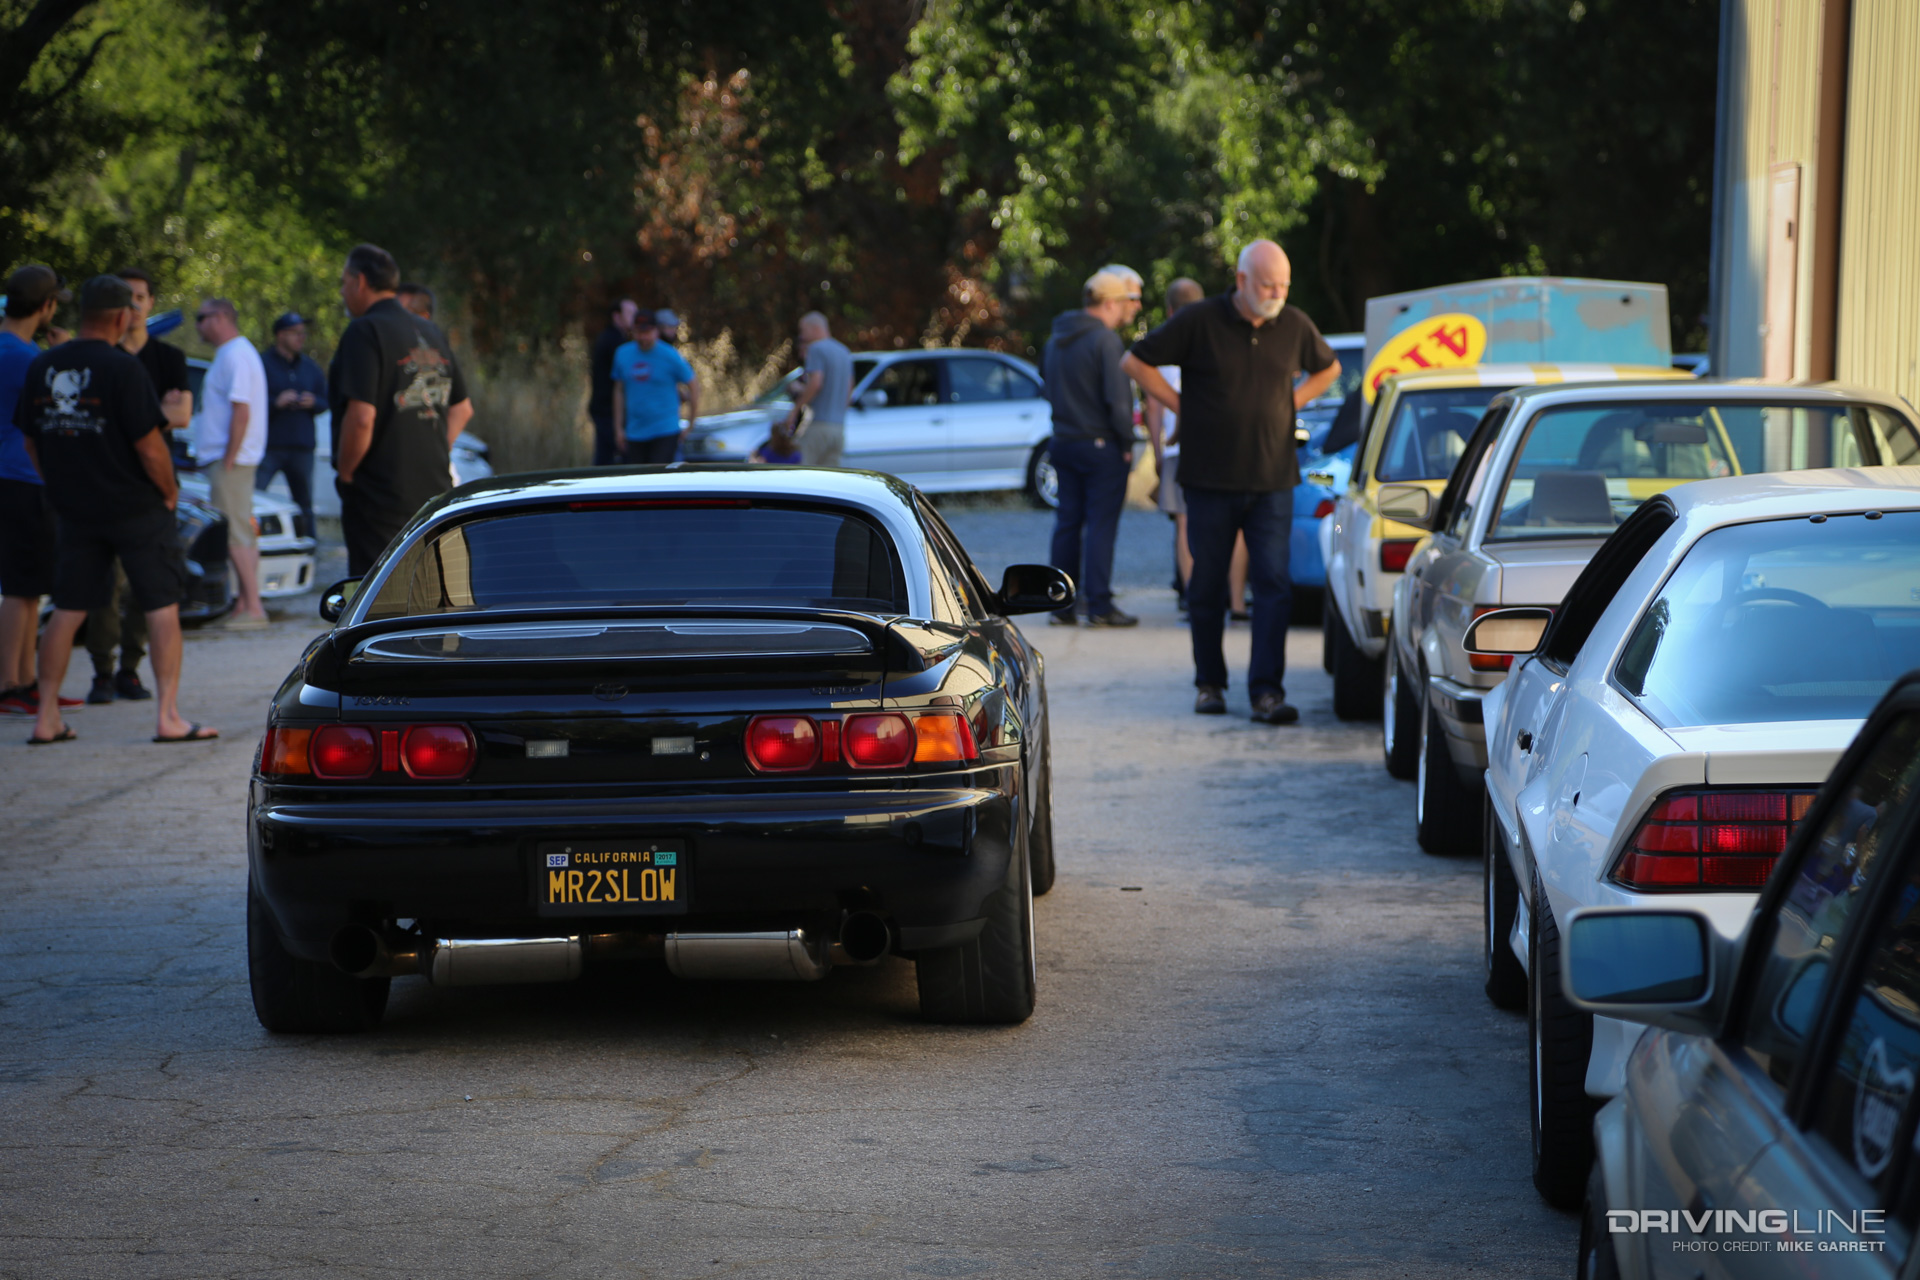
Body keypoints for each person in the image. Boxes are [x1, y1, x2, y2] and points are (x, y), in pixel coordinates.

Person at [1123, 240, 1342, 724]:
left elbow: (1330, 367)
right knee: (1206, 585)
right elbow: (1135, 362)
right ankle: (1210, 684)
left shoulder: (1294, 323)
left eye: (1284, 285)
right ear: (1242, 280)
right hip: (1210, 478)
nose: (1277, 294)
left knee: (1273, 585)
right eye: (1268, 284)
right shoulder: (1199, 320)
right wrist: (1181, 406)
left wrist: (1293, 402)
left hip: (1272, 479)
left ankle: (1267, 692)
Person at [17, 274, 215, 744]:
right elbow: (150, 446)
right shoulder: (124, 369)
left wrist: (58, 482)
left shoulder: (43, 366)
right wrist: (169, 492)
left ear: (80, 314)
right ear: (123, 316)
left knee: (67, 609)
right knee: (161, 605)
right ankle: (167, 717)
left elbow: (29, 439)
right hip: (135, 507)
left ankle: (45, 717)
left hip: (75, 509)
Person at [328, 243, 473, 575]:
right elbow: (462, 409)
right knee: (429, 595)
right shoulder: (431, 331)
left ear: (360, 281)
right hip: (433, 490)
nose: (342, 291)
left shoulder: (364, 331)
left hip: (379, 496)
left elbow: (362, 417)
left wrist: (347, 473)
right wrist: (428, 447)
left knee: (381, 604)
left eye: (344, 281)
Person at [83, 266, 192, 703]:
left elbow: (181, 416)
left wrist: (127, 417)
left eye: (141, 297)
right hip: (104, 479)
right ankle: (102, 672)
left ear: (150, 304)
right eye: (125, 297)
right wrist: (152, 412)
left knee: (149, 584)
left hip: (154, 480)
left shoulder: (169, 358)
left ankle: (130, 667)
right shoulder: (100, 356)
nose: (133, 305)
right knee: (103, 583)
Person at [0, 265, 82, 719]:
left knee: (29, 587)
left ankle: (25, 681)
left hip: (19, 476)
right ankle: (9, 683)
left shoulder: (17, 348)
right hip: (19, 476)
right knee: (18, 586)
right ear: (47, 306)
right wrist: (65, 354)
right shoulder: (23, 356)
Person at [1143, 277, 1248, 619]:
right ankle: (1235, 602)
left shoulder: (1163, 348)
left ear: (1170, 309)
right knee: (1237, 528)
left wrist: (1158, 453)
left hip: (1179, 452)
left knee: (1186, 526)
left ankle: (1193, 599)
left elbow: (1154, 411)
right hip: (1225, 447)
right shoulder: (1223, 338)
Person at [1043, 267, 1142, 628]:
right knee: (1101, 524)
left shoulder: (1056, 339)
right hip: (1100, 445)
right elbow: (1118, 401)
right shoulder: (1105, 340)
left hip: (1063, 440)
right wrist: (1127, 442)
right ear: (1110, 303)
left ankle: (1061, 605)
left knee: (1067, 522)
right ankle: (1099, 605)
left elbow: (1045, 387)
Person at [193, 298, 271, 627]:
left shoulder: (236, 353)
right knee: (241, 531)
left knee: (234, 532)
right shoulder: (234, 352)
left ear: (222, 317)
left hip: (232, 459)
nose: (198, 325)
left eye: (202, 317)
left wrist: (228, 456)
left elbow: (242, 409)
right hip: (233, 457)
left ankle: (253, 608)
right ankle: (245, 604)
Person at [258, 312, 326, 539]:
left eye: (302, 333)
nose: (301, 338)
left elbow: (326, 399)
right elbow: (250, 401)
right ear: (280, 335)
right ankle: (255, 542)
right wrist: (276, 402)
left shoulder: (310, 367)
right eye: (295, 333)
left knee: (305, 503)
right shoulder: (262, 363)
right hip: (270, 446)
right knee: (256, 496)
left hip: (301, 448)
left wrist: (313, 402)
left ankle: (309, 544)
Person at [611, 311, 697, 464]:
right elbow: (619, 391)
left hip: (665, 430)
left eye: (647, 332)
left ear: (656, 331)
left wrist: (690, 423)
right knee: (637, 481)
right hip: (635, 431)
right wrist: (618, 428)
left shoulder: (670, 355)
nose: (643, 338)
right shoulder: (622, 354)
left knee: (659, 479)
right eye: (639, 332)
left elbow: (693, 385)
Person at [783, 311, 851, 467]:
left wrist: (795, 410)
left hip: (817, 424)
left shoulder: (816, 349)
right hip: (838, 428)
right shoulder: (844, 352)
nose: (802, 336)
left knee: (803, 473)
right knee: (830, 480)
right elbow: (849, 389)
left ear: (814, 328)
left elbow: (816, 383)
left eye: (803, 330)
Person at [588, 300, 637, 466]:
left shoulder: (614, 338)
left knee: (607, 457)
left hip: (605, 409)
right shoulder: (615, 343)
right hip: (607, 409)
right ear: (617, 316)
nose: (635, 318)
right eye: (630, 314)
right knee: (612, 458)